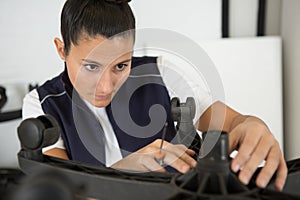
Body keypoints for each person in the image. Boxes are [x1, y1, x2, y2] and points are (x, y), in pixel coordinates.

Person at [22, 0, 287, 191]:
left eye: (121, 66)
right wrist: (124, 172)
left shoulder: (161, 72)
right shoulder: (41, 104)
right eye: (91, 67)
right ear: (61, 49)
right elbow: (64, 193)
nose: (105, 86)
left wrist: (252, 124)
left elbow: (231, 122)